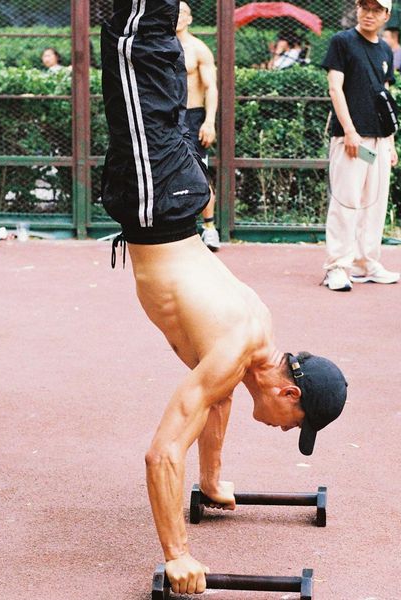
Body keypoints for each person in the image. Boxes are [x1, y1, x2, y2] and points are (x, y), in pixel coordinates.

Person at [100, 1, 348, 594]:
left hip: (173, 196)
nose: (286, 432)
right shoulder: (236, 347)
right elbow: (163, 454)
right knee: (137, 43)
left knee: (154, 62)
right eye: (295, 425)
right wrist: (177, 555)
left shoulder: (255, 337)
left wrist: (211, 479)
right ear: (288, 393)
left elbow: (218, 400)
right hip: (157, 199)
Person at [321, 0, 400, 292]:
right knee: (346, 201)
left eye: (376, 9)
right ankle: (337, 267)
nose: (369, 14)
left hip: (378, 141)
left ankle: (365, 263)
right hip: (351, 141)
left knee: (373, 203)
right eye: (365, 6)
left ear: (386, 15)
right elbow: (335, 88)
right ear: (357, 9)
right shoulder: (342, 42)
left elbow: (384, 96)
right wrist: (350, 131)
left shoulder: (385, 50)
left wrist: (390, 143)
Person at [176, 1, 220, 251]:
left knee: (198, 173)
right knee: (165, 172)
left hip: (192, 116)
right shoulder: (159, 47)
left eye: (182, 12)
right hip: (166, 117)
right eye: (174, 12)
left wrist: (209, 121)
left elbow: (211, 88)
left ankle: (209, 228)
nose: (178, 16)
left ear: (190, 18)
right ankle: (174, 230)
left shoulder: (198, 49)